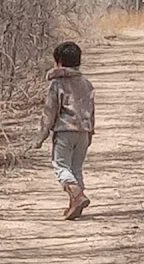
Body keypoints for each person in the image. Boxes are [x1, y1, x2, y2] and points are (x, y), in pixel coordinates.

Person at [34, 41, 96, 220]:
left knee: (61, 166)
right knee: (76, 168)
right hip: (83, 131)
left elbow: (50, 112)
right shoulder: (86, 83)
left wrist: (42, 136)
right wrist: (90, 132)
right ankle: (74, 205)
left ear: (59, 62)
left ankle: (77, 196)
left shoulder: (57, 84)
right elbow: (91, 110)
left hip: (65, 131)